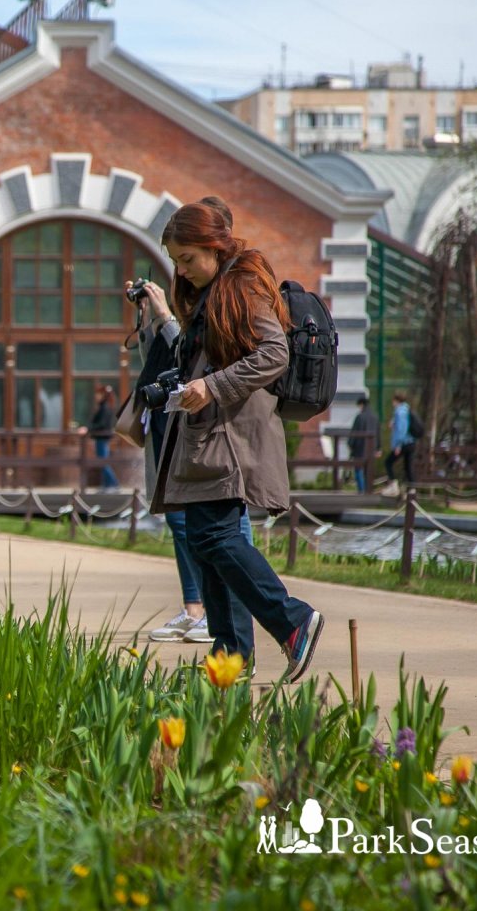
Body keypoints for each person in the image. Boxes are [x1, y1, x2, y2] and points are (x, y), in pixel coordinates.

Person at [150, 198, 324, 683]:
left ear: (214, 246)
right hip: (210, 439)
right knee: (207, 545)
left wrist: (211, 386)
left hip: (232, 441)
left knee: (214, 536)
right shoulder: (212, 291)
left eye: (187, 259)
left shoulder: (243, 283)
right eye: (176, 262)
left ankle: (293, 621)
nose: (181, 271)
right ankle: (229, 664)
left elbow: (275, 353)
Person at [126, 278, 255, 646]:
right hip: (167, 432)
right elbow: (156, 363)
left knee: (206, 528)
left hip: (202, 436)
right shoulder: (179, 323)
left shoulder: (214, 311)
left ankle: (219, 615)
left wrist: (165, 315)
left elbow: (189, 361)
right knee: (178, 525)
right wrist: (150, 318)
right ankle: (194, 607)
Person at [78, 384, 120, 490]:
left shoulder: (105, 408)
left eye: (98, 394)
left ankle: (113, 484)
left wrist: (89, 429)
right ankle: (106, 485)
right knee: (102, 462)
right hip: (100, 438)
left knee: (103, 462)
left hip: (102, 438)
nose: (96, 396)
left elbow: (102, 424)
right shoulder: (103, 407)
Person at [381, 392, 416, 497]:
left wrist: (398, 445)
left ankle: (393, 486)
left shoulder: (399, 412)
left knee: (388, 462)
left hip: (403, 443)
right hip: (411, 442)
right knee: (408, 466)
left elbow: (401, 429)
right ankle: (411, 490)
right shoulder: (407, 409)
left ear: (396, 400)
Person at [348, 395, 380, 494]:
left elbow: (354, 433)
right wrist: (379, 448)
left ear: (361, 405)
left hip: (359, 447)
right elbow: (378, 433)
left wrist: (350, 444)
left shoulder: (359, 417)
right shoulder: (375, 417)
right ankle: (368, 490)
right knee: (368, 470)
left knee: (358, 469)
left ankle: (361, 491)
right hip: (372, 448)